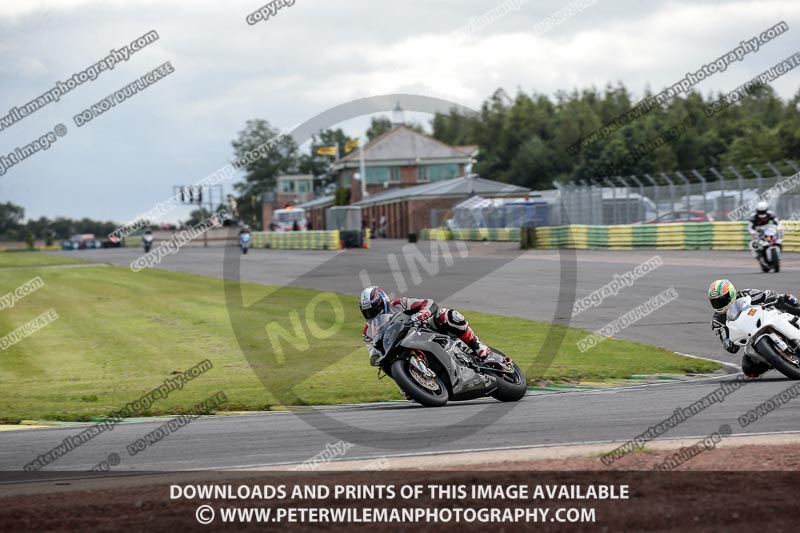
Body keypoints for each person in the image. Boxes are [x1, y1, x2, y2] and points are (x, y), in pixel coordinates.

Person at [359, 286, 490, 359]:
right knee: (384, 362)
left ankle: (476, 345)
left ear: (383, 302)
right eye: (368, 312)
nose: (373, 314)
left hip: (425, 331)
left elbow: (429, 303)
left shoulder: (400, 304)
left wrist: (422, 314)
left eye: (375, 309)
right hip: (402, 346)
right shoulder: (367, 332)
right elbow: (374, 353)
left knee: (447, 315)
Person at [708, 279, 800, 378]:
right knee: (748, 368)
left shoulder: (745, 293)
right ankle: (774, 360)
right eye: (716, 302)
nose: (720, 304)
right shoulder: (717, 321)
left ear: (731, 293)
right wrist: (727, 343)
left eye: (722, 300)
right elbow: (726, 340)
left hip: (764, 316)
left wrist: (770, 296)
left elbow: (765, 294)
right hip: (749, 336)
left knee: (788, 298)